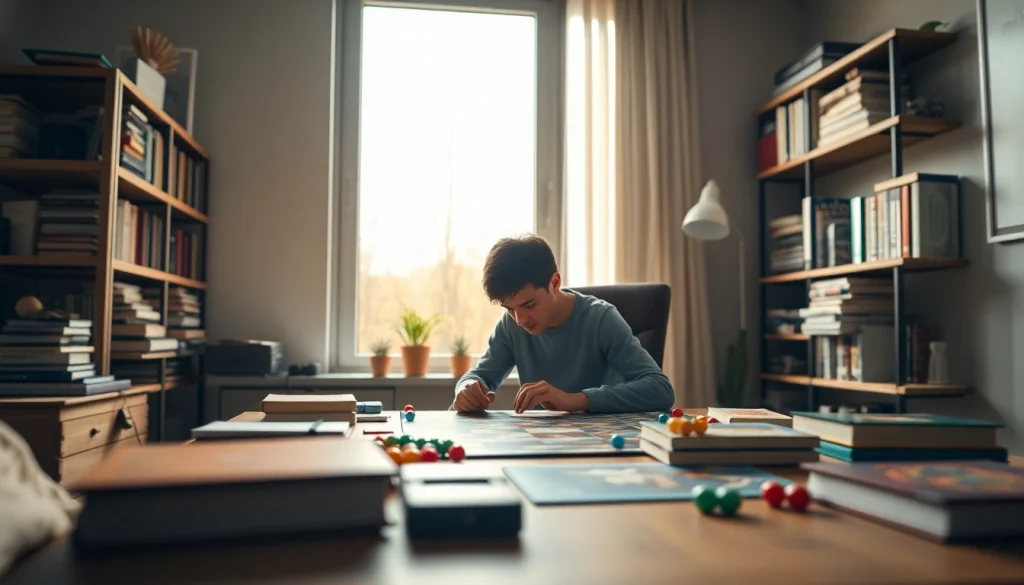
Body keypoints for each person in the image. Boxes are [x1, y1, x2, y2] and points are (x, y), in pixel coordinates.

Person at [452, 234, 675, 414]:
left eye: (529, 305)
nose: (520, 320)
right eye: (509, 309)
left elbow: (660, 389)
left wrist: (576, 400)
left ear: (555, 283)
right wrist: (466, 388)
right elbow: (480, 375)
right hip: (541, 446)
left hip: (603, 446)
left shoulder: (601, 319)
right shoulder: (510, 326)